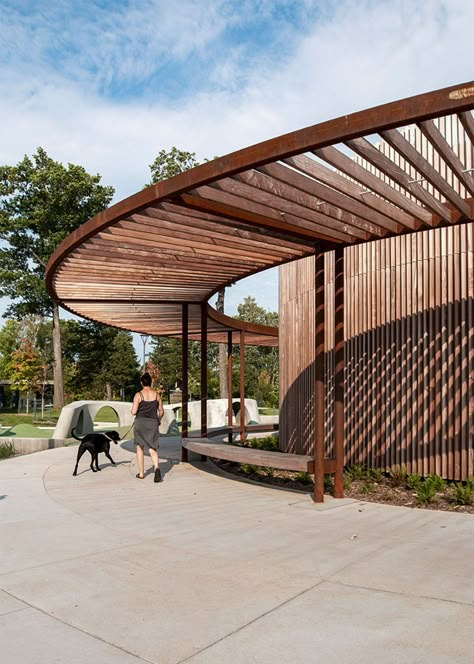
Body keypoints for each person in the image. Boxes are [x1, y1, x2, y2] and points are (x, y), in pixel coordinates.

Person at [131, 372, 164, 482]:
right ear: (151, 382)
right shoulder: (157, 395)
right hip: (153, 423)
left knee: (140, 447)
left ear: (141, 383)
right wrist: (158, 420)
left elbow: (133, 412)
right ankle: (157, 468)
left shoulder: (138, 395)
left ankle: (141, 474)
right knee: (152, 447)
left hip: (140, 423)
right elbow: (161, 411)